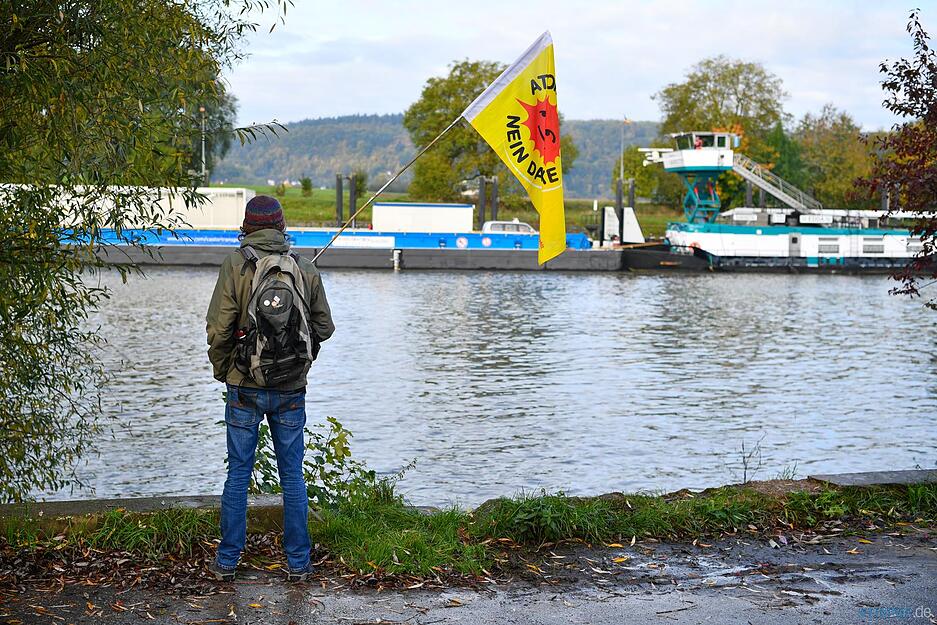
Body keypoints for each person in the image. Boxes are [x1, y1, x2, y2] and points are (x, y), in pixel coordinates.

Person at [205, 195, 335, 582]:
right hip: (291, 389)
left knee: (238, 475)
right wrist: (298, 360)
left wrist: (224, 371)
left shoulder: (235, 264)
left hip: (243, 385)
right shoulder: (304, 267)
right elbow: (324, 328)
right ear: (281, 225)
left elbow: (218, 328)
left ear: (246, 226)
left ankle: (227, 561)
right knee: (292, 476)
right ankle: (298, 564)